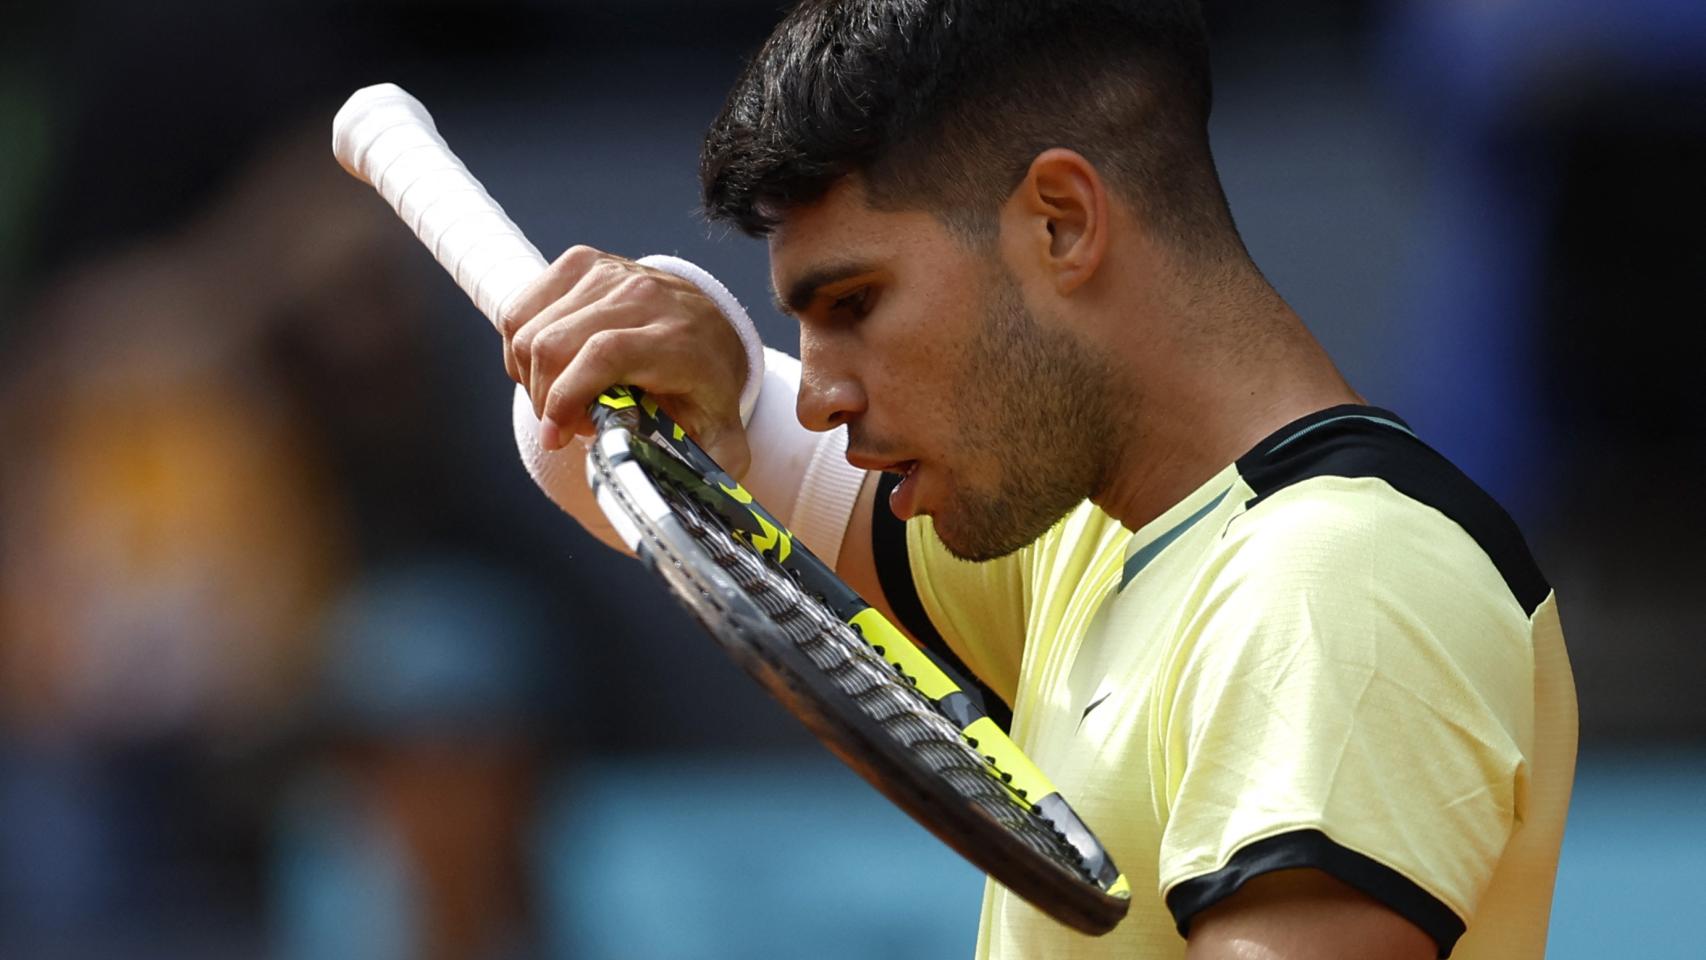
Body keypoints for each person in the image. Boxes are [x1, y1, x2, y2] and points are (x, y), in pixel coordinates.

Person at [497, 1, 1577, 957]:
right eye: (802, 327)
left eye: (854, 304)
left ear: (1058, 221)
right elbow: (624, 471)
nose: (823, 392)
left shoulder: (1336, 580)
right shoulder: (1083, 549)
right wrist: (692, 339)